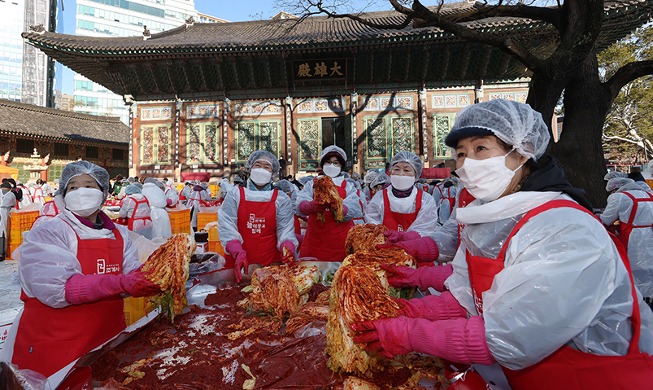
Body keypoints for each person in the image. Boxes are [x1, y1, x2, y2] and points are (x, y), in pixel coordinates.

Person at [350, 99, 653, 389]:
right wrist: (407, 309)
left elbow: (510, 337)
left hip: (597, 377)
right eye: (460, 154)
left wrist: (409, 333)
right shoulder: (491, 217)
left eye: (481, 149)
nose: (468, 164)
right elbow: (465, 297)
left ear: (522, 154)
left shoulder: (563, 228)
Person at [0, 161, 160, 383]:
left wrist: (159, 271)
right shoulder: (48, 232)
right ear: (63, 194)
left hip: (105, 343)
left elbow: (133, 276)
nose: (80, 191)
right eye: (73, 187)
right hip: (55, 348)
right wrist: (121, 283)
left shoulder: (120, 235)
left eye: (88, 185)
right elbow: (58, 290)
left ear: (103, 193)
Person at [219, 151, 298, 282]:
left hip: (272, 266)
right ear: (250, 168)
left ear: (273, 173)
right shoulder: (235, 194)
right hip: (240, 263)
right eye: (257, 165)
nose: (261, 170)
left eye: (267, 167)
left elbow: (285, 230)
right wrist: (236, 250)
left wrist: (288, 245)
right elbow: (226, 225)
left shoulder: (281, 198)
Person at [364, 151, 439, 263]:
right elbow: (371, 224)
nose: (400, 174)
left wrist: (403, 238)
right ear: (390, 172)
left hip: (416, 257)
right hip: (384, 256)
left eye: (407, 170)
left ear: (416, 175)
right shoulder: (380, 197)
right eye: (397, 169)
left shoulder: (425, 200)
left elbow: (425, 229)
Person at [296, 145, 363, 262]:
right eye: (327, 162)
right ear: (322, 165)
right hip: (315, 241)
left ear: (341, 166)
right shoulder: (312, 184)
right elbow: (300, 203)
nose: (331, 165)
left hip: (340, 243)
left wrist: (338, 207)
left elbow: (353, 208)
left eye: (335, 163)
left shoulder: (347, 186)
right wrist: (311, 206)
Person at [601, 177, 653, 308]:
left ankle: (638, 302)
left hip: (633, 238)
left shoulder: (618, 197)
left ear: (614, 189)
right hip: (650, 235)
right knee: (650, 269)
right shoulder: (649, 194)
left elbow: (606, 219)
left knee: (633, 269)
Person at [0, 181, 16, 261]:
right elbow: (13, 204)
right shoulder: (11, 194)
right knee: (2, 232)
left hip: (3, 211)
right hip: (4, 212)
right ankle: (1, 253)